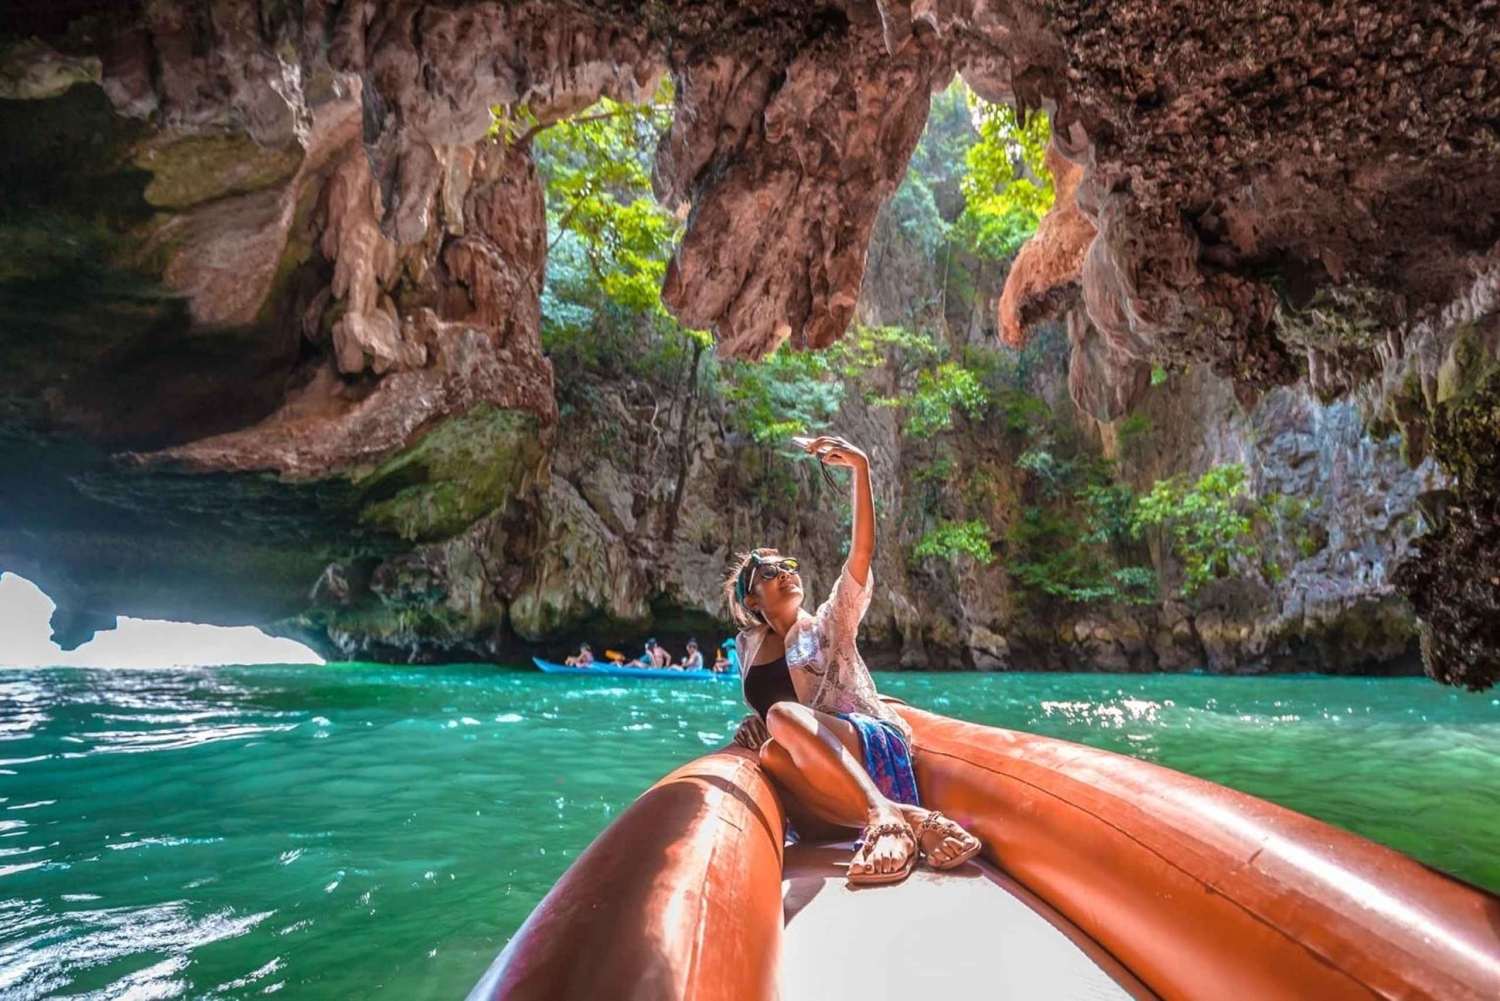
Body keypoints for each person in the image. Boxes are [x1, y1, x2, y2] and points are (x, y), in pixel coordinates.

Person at [725, 435, 981, 886]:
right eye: (769, 571)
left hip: (867, 742)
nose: (785, 573)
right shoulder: (748, 646)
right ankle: (914, 820)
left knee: (783, 716)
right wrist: (754, 722)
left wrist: (861, 469)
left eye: (788, 565)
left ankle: (884, 814)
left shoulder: (830, 623)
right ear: (752, 597)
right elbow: (772, 711)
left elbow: (860, 554)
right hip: (819, 771)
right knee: (771, 753)